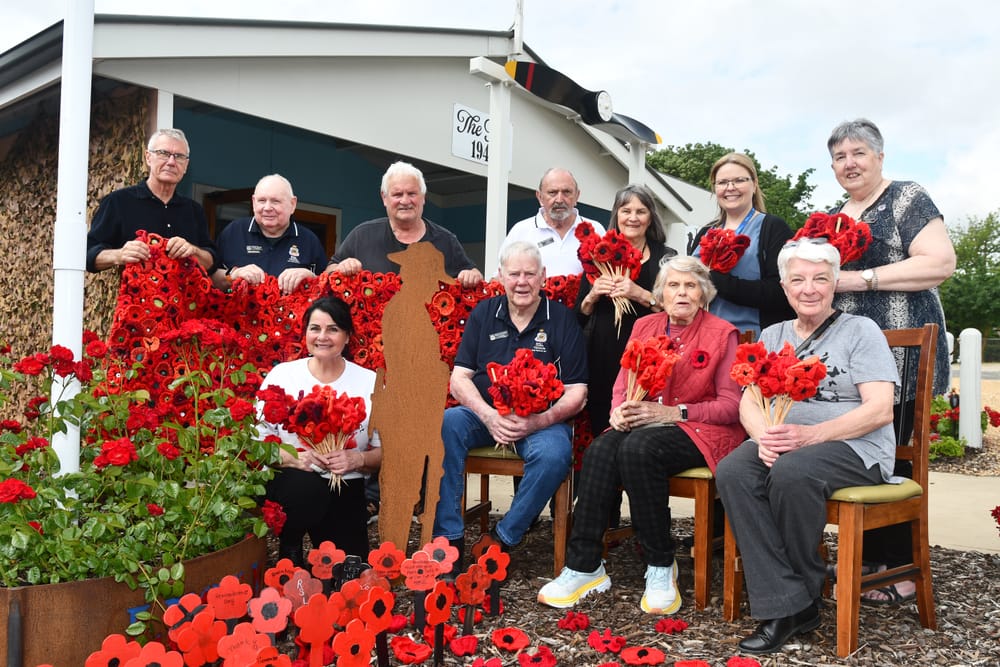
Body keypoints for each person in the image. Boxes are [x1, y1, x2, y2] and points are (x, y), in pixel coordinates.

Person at [715, 238, 900, 654]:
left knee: (792, 471)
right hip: (786, 441)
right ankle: (791, 601)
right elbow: (749, 398)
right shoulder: (773, 333)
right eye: (797, 280)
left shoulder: (860, 331)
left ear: (835, 283)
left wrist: (811, 436)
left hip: (855, 447)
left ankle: (794, 602)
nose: (809, 288)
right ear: (784, 287)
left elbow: (880, 410)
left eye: (820, 278)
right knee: (733, 470)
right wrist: (763, 436)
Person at [538, 256, 745, 614]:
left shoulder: (722, 333)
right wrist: (619, 409)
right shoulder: (645, 326)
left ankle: (661, 564)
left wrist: (674, 412)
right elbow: (623, 382)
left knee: (637, 448)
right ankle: (584, 566)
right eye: (673, 285)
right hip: (647, 424)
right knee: (602, 449)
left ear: (704, 293)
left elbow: (731, 405)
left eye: (690, 285)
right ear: (661, 294)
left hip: (701, 429)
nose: (682, 292)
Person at [826, 118, 955, 603]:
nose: (849, 163)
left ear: (879, 156)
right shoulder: (836, 215)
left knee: (895, 450)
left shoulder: (905, 197)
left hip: (902, 354)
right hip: (852, 360)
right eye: (839, 157)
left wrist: (863, 279)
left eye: (858, 153)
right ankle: (867, 561)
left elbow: (939, 262)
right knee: (863, 452)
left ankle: (899, 566)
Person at [432, 241, 588, 560]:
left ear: (543, 277)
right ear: (501, 276)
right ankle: (448, 537)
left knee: (555, 453)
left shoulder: (561, 318)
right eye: (514, 273)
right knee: (448, 424)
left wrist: (538, 421)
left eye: (529, 274)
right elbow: (459, 378)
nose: (522, 281)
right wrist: (489, 416)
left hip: (541, 421)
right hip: (485, 415)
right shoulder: (484, 313)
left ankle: (504, 538)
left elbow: (578, 392)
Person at [259, 296, 381, 564]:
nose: (322, 337)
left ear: (347, 336)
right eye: (315, 328)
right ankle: (291, 543)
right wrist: (293, 457)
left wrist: (357, 459)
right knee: (308, 489)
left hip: (345, 482)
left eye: (333, 329)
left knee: (350, 570)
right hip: (293, 481)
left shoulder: (369, 382)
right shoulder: (282, 376)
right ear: (305, 334)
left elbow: (384, 452)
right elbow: (255, 443)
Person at [576, 183, 674, 435]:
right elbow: (580, 313)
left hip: (649, 356)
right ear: (616, 215)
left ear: (651, 217)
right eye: (625, 210)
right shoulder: (598, 254)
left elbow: (677, 310)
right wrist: (594, 294)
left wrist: (639, 294)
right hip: (603, 354)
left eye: (641, 211)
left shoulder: (666, 257)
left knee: (643, 428)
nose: (633, 218)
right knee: (605, 426)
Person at [324, 161, 483, 287]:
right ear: (384, 198)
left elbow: (473, 275)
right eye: (397, 194)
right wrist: (341, 268)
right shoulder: (362, 235)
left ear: (423, 197)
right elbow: (329, 272)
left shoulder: (446, 240)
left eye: (412, 193)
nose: (405, 201)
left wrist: (473, 275)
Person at [689, 152, 794, 336]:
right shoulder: (705, 232)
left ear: (754, 185)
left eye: (739, 180)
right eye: (722, 182)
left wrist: (715, 279)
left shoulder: (773, 228)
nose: (730, 188)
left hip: (754, 340)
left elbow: (781, 291)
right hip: (707, 339)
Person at [87, 128, 218, 273]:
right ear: (148, 157)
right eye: (163, 153)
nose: (171, 162)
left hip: (185, 295)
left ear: (186, 165)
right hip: (136, 294)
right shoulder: (118, 202)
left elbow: (212, 263)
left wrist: (193, 251)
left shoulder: (194, 210)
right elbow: (88, 255)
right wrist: (119, 255)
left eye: (179, 156)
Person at [212, 174, 326, 294]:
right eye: (262, 201)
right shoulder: (233, 232)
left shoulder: (309, 241)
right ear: (253, 202)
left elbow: (326, 290)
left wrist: (311, 277)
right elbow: (209, 278)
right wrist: (233, 275)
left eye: (275, 201)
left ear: (293, 204)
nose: (267, 208)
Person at [500, 168, 605, 276]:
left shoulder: (596, 229)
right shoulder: (521, 231)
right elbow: (502, 276)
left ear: (577, 196)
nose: (559, 199)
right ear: (540, 197)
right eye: (552, 193)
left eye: (566, 192)